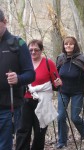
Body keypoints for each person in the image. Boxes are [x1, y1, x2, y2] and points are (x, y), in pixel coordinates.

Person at [16, 39, 62, 150]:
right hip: (25, 100)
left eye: (36, 50)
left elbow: (57, 82)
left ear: (41, 50)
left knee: (40, 131)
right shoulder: (23, 63)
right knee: (23, 130)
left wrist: (59, 83)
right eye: (30, 50)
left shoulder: (48, 63)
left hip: (42, 101)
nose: (33, 52)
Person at [0, 8, 35, 150]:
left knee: (4, 145)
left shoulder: (18, 43)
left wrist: (18, 78)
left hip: (8, 107)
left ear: (4, 22)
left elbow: (31, 74)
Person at [55, 36, 84, 149]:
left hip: (77, 92)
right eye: (66, 44)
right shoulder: (60, 58)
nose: (68, 46)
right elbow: (56, 73)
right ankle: (62, 141)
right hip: (63, 91)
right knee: (61, 117)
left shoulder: (81, 58)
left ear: (75, 45)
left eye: (71, 44)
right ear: (63, 46)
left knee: (74, 117)